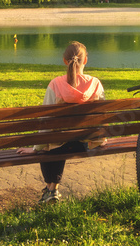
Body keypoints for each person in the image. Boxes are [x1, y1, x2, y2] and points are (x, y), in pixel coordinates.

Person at [18, 41, 105, 204]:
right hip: (87, 143)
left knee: (50, 145)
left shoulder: (55, 84)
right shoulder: (95, 84)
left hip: (60, 143)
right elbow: (101, 115)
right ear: (85, 60)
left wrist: (36, 149)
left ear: (65, 61)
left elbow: (45, 121)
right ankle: (52, 190)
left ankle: (51, 190)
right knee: (59, 142)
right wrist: (100, 139)